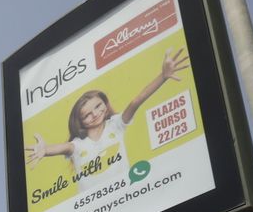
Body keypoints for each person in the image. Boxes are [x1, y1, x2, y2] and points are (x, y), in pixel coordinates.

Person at [25, 48, 190, 192]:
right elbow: (63, 147)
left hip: (128, 194)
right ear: (80, 121)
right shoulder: (78, 145)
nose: (95, 114)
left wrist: (163, 76)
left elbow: (136, 101)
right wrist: (45, 150)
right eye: (87, 115)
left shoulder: (116, 125)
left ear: (105, 104)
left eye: (98, 106)